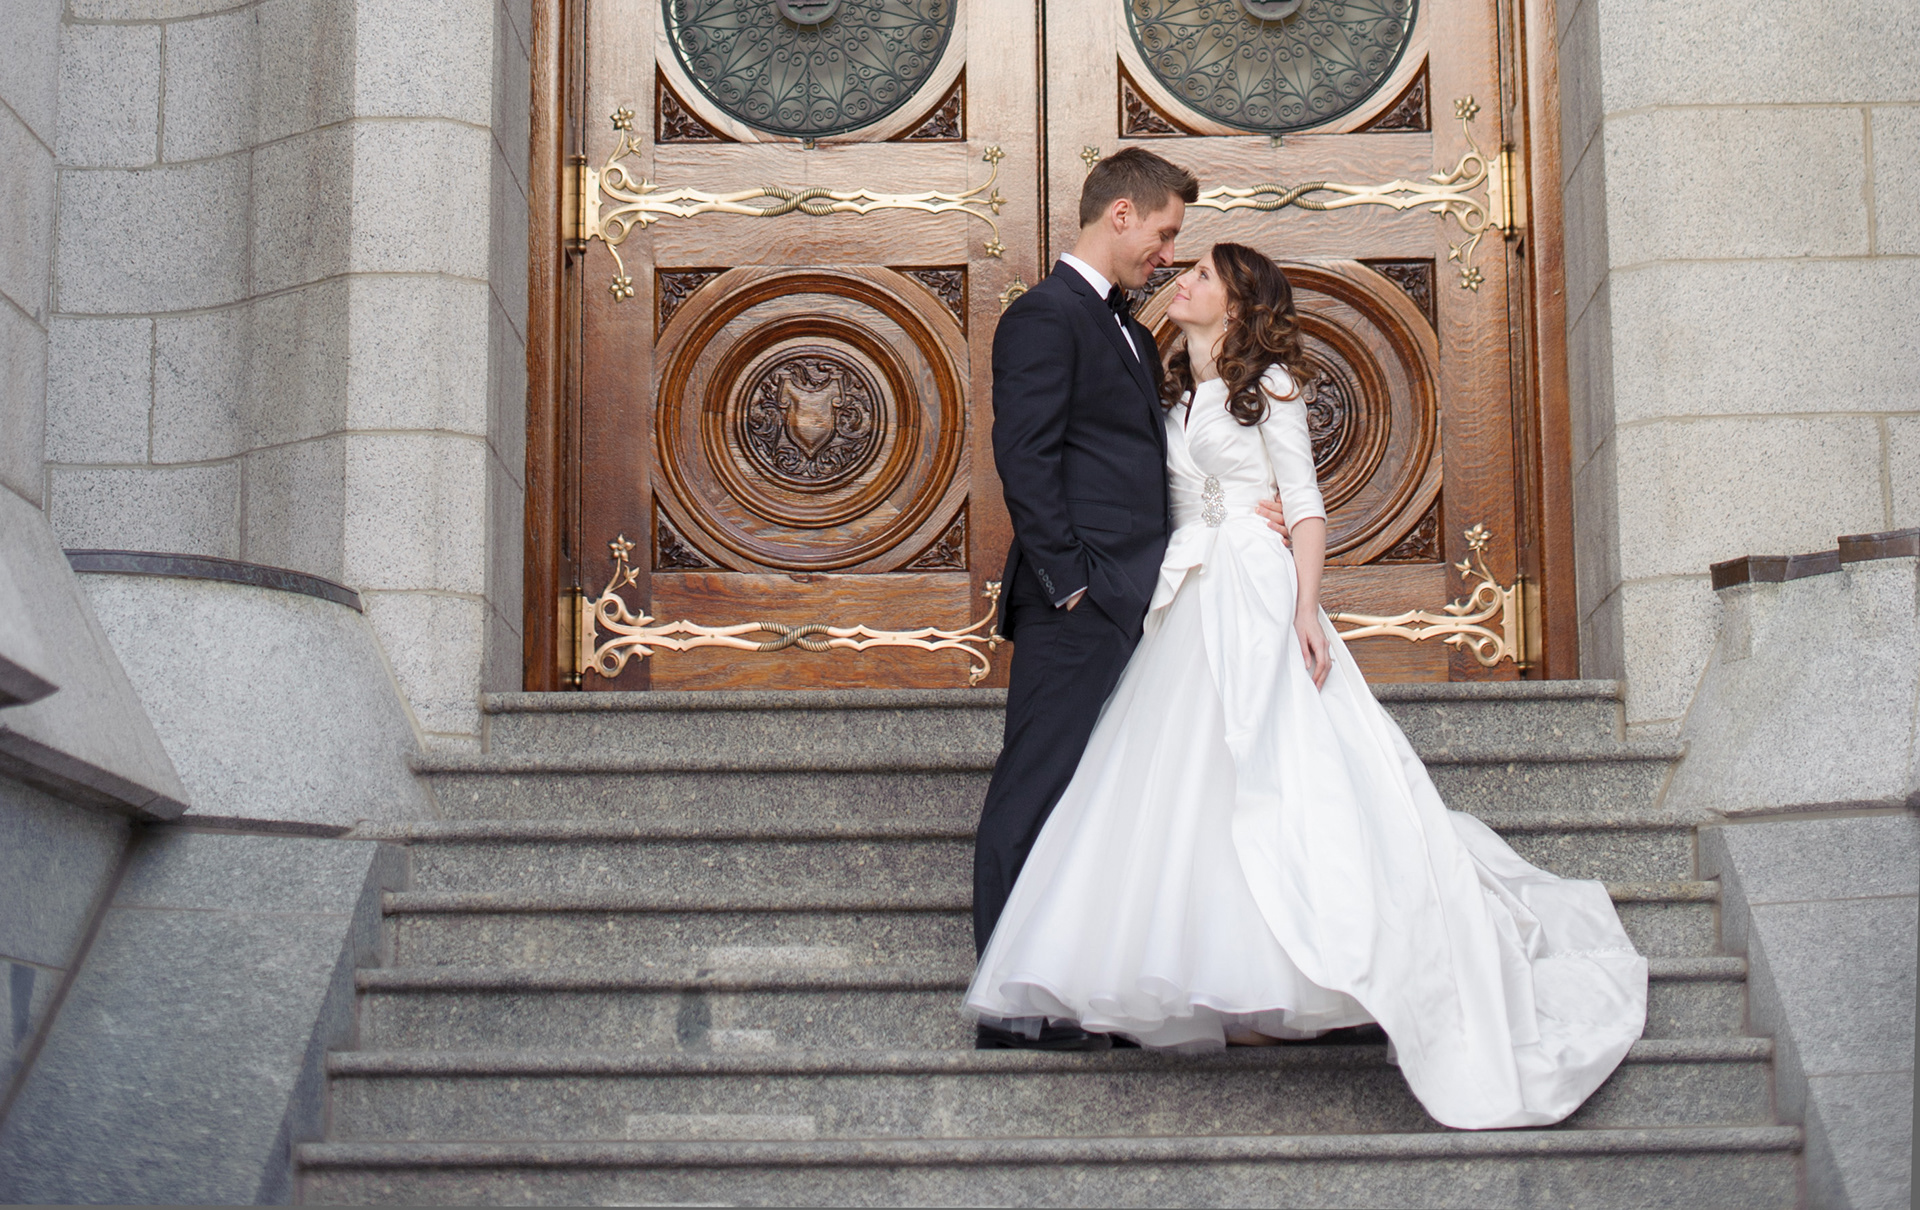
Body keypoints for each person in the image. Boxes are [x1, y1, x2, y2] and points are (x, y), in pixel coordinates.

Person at [966, 242, 1649, 1130]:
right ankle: (1230, 978)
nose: (1181, 279)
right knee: (1191, 783)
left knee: (1277, 770)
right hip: (1186, 593)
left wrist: (1304, 609)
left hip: (1256, 590)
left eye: (1202, 275)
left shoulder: (1273, 387)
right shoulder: (1170, 392)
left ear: (1238, 306)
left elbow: (1307, 505)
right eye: (1185, 266)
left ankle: (1335, 964)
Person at [972, 147, 1198, 1052]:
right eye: (1164, 232)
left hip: (1134, 601)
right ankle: (1007, 1005)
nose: (1168, 254)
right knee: (1035, 786)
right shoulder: (1044, 315)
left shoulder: (1132, 333)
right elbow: (1025, 457)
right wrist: (1070, 584)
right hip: (1078, 600)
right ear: (1121, 214)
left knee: (1094, 797)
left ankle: (1067, 983)